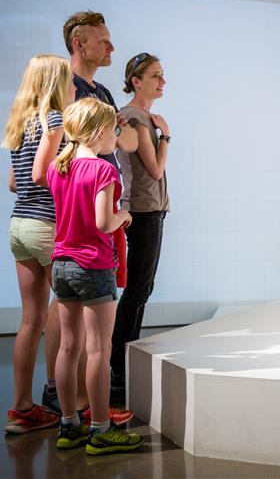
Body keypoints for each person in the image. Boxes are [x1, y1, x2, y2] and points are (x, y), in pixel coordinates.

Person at [40, 10, 138, 413]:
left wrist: (120, 132)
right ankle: (63, 395)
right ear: (79, 43)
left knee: (76, 314)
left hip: (96, 202)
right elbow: (54, 144)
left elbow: (128, 141)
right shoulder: (63, 87)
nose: (112, 46)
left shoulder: (103, 92)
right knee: (72, 316)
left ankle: (78, 401)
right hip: (74, 208)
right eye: (103, 40)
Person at [47, 97, 144, 455]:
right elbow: (104, 222)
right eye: (114, 130)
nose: (116, 136)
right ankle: (101, 429)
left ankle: (69, 424)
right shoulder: (104, 171)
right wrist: (124, 216)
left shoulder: (58, 168)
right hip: (93, 266)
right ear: (101, 131)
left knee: (68, 347)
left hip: (61, 265)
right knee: (98, 351)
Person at [2, 54, 73, 433]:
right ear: (56, 83)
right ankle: (76, 406)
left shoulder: (21, 121)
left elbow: (15, 182)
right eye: (68, 80)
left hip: (19, 225)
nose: (73, 86)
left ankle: (22, 408)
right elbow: (39, 174)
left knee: (31, 320)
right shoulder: (54, 120)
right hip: (47, 224)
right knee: (70, 310)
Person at [110, 52, 170, 402]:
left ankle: (123, 361)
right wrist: (167, 136)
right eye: (155, 75)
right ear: (136, 81)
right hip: (144, 211)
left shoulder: (141, 117)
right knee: (137, 289)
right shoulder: (136, 118)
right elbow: (156, 169)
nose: (162, 81)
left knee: (141, 288)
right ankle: (120, 366)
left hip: (149, 210)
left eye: (162, 75)